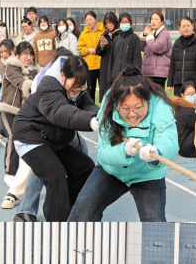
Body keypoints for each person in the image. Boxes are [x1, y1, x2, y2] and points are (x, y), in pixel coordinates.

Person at [68, 68, 179, 222]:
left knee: (155, 225)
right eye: (125, 109)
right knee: (82, 211)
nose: (132, 114)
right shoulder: (108, 103)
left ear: (148, 101)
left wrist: (156, 152)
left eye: (138, 108)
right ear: (116, 104)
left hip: (147, 174)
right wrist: (124, 151)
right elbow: (103, 152)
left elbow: (169, 140)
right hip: (112, 170)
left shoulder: (159, 104)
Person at [12, 55, 99, 222]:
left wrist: (104, 116)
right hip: (30, 135)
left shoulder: (78, 86)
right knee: (55, 176)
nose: (75, 92)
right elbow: (60, 111)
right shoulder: (49, 86)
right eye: (73, 87)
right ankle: (56, 224)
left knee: (84, 166)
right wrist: (91, 121)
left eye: (80, 88)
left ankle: (70, 212)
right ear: (62, 75)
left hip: (52, 138)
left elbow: (88, 105)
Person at [0, 41, 40, 204]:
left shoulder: (35, 70)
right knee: (13, 136)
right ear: (17, 55)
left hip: (25, 113)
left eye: (31, 55)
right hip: (9, 109)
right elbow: (21, 83)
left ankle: (24, 174)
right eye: (25, 54)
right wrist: (33, 84)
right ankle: (9, 172)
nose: (29, 58)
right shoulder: (11, 67)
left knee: (27, 141)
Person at [168, 17, 196, 97]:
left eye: (188, 26)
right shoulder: (177, 43)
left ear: (192, 26)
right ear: (180, 28)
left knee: (191, 105)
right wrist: (170, 81)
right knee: (178, 105)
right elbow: (172, 63)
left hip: (192, 84)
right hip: (178, 83)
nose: (186, 28)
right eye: (183, 26)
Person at [108, 12, 142, 89]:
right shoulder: (116, 39)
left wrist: (135, 77)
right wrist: (110, 77)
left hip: (128, 79)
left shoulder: (134, 38)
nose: (124, 24)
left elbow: (137, 60)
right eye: (122, 22)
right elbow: (112, 60)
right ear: (119, 24)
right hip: (115, 78)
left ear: (130, 23)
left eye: (126, 22)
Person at [77, 11, 105, 102]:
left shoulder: (103, 30)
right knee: (90, 91)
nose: (89, 22)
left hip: (102, 65)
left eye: (91, 19)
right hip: (89, 67)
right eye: (87, 20)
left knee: (104, 91)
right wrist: (88, 50)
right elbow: (79, 49)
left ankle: (105, 108)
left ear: (95, 19)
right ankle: (90, 108)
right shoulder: (83, 34)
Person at [140, 11, 173, 89]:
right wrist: (145, 34)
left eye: (156, 19)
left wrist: (149, 35)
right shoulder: (153, 33)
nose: (153, 21)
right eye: (152, 19)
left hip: (158, 74)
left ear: (162, 22)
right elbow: (141, 47)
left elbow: (155, 48)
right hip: (149, 72)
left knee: (157, 95)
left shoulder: (164, 34)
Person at [172, 81, 196, 158]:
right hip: (186, 148)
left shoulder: (182, 107)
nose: (192, 96)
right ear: (182, 95)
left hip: (182, 145)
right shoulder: (188, 111)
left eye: (193, 93)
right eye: (188, 94)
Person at [96, 12, 120, 103]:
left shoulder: (120, 35)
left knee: (117, 93)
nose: (108, 25)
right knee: (106, 95)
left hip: (117, 67)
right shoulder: (104, 36)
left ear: (115, 22)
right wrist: (101, 46)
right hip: (105, 68)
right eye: (106, 23)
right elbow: (98, 52)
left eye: (110, 23)